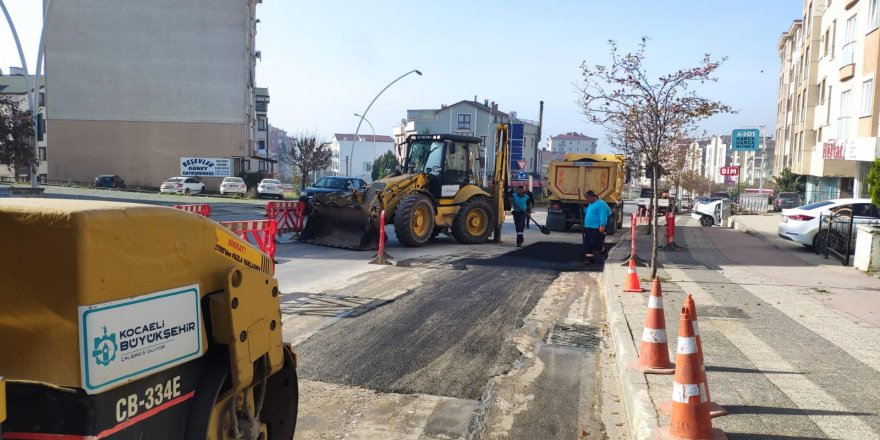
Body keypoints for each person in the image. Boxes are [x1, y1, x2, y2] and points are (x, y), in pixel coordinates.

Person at [583, 190, 611, 266]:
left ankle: (603, 250)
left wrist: (602, 225)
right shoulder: (591, 203)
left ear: (593, 197)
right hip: (588, 227)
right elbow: (590, 212)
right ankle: (590, 260)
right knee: (587, 244)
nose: (587, 200)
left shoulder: (601, 204)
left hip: (596, 227)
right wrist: (584, 209)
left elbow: (604, 215)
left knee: (594, 243)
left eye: (588, 198)